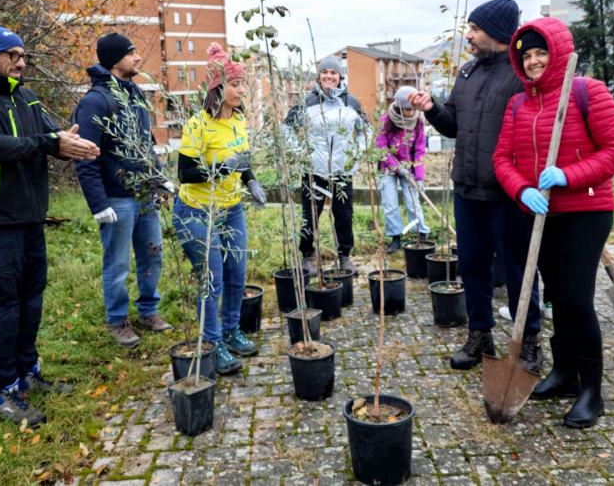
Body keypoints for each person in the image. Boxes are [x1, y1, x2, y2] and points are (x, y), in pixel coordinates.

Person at [0, 26, 100, 426]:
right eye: (12, 55)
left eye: (23, 55)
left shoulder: (25, 96)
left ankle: (27, 374)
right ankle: (3, 390)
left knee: (31, 298)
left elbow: (51, 135)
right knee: (1, 306)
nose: (20, 62)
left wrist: (70, 143)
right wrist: (50, 143)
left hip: (29, 218)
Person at [493, 17, 614, 428]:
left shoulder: (588, 92)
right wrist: (522, 190)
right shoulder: (519, 103)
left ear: (557, 55)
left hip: (586, 213)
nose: (534, 61)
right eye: (527, 55)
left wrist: (568, 175)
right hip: (541, 214)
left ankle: (592, 390)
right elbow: (502, 159)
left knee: (575, 299)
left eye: (541, 53)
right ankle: (565, 373)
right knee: (555, 297)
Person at [408, 0, 544, 372]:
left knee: (518, 270)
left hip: (508, 192)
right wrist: (432, 109)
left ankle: (529, 340)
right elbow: (452, 124)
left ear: (497, 33)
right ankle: (480, 335)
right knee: (472, 266)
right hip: (467, 187)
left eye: (474, 29)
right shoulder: (466, 73)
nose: (468, 35)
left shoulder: (519, 75)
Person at [73, 33, 175, 349]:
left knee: (152, 255)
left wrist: (161, 178)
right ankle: (117, 320)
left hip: (145, 194)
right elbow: (85, 154)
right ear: (115, 60)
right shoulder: (95, 101)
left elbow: (146, 145)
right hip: (116, 198)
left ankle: (148, 310)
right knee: (117, 264)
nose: (138, 57)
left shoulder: (135, 95)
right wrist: (98, 203)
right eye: (131, 52)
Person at [172, 43, 267, 375]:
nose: (241, 90)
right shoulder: (198, 125)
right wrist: (222, 168)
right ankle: (212, 344)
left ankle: (231, 331)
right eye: (236, 84)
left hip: (231, 209)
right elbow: (184, 173)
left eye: (242, 84)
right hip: (197, 211)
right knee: (211, 278)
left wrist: (250, 179)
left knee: (237, 273)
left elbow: (242, 160)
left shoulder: (239, 122)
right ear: (218, 87)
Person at [284, 55, 370, 274]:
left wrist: (356, 152)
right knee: (310, 215)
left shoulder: (351, 102)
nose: (329, 76)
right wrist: (299, 152)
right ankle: (307, 257)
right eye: (325, 72)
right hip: (314, 170)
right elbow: (286, 128)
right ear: (319, 75)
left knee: (344, 215)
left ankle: (344, 256)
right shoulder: (308, 102)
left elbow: (366, 130)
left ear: (340, 75)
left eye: (333, 72)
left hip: (342, 170)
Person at [375, 85, 430, 254]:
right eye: (407, 109)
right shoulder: (386, 120)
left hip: (409, 168)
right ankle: (395, 237)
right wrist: (396, 167)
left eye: (413, 108)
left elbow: (420, 150)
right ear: (399, 107)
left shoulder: (418, 122)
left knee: (413, 201)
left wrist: (419, 176)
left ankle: (421, 234)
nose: (411, 112)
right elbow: (381, 147)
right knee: (390, 203)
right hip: (388, 167)